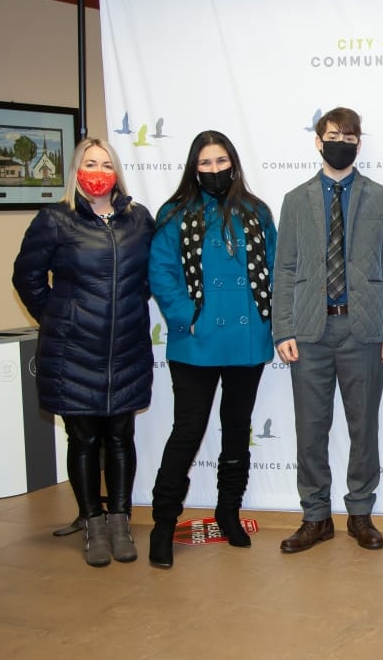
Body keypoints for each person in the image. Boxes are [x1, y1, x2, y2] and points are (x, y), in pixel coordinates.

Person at [12, 137, 154, 567]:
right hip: (73, 350)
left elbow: (151, 276)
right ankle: (92, 522)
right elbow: (27, 278)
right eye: (90, 163)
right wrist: (59, 317)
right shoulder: (56, 220)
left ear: (116, 171)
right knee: (84, 438)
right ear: (76, 170)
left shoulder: (138, 220)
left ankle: (120, 521)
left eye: (105, 163)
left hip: (126, 345)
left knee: (120, 436)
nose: (98, 171)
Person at [272, 107, 383, 552]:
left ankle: (360, 513)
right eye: (333, 135)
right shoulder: (295, 199)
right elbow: (285, 269)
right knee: (311, 430)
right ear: (317, 140)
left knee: (363, 426)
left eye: (349, 136)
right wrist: (282, 328)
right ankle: (315, 516)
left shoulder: (382, 198)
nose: (341, 142)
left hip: (363, 330)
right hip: (309, 332)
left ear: (358, 143)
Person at [145, 131, 276, 569]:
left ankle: (228, 512)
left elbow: (274, 267)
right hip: (196, 340)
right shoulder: (175, 212)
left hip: (247, 338)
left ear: (233, 163)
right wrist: (188, 317)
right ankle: (163, 523)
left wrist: (270, 318)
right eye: (206, 163)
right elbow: (161, 272)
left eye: (222, 161)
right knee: (188, 431)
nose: (215, 170)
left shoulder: (256, 211)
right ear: (193, 167)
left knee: (237, 429)